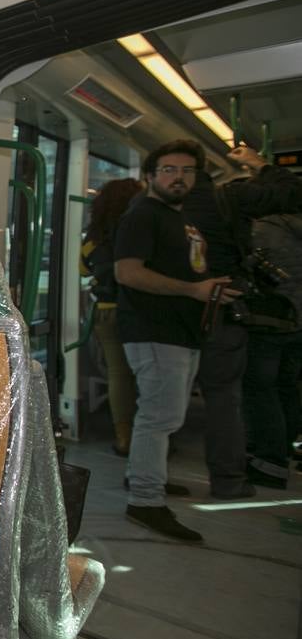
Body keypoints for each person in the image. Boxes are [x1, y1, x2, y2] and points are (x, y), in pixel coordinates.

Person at [116, 141, 238, 542]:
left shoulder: (180, 219)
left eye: (187, 171)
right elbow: (128, 273)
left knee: (167, 418)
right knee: (159, 417)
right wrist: (192, 291)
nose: (178, 177)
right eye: (168, 169)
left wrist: (208, 290)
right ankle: (146, 501)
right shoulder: (142, 216)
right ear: (150, 176)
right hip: (154, 330)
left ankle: (146, 477)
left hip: (181, 333)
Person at [180, 143, 302, 498]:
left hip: (193, 312)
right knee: (239, 395)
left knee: (166, 403)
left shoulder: (162, 207)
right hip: (247, 310)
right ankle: (242, 473)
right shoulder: (232, 200)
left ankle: (266, 458)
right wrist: (262, 165)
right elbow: (293, 192)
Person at [80, 178, 143, 456]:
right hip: (141, 312)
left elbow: (83, 270)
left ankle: (123, 437)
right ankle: (149, 436)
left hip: (105, 312)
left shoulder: (94, 238)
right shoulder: (140, 230)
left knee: (119, 374)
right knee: (146, 375)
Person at [241, 211, 302, 488]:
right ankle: (285, 450)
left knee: (261, 389)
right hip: (297, 323)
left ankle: (269, 462)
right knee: (287, 386)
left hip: (270, 320)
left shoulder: (263, 229)